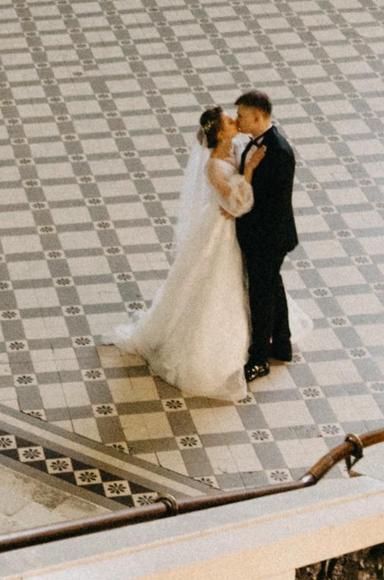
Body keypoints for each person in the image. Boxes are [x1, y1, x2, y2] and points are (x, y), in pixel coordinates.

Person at [109, 106, 257, 400]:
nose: (234, 122)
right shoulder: (214, 166)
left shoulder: (237, 148)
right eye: (229, 121)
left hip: (229, 225)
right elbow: (236, 203)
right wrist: (249, 171)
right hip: (218, 228)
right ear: (219, 133)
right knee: (213, 282)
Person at [233, 90, 299, 383]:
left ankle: (259, 357)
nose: (238, 120)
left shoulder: (278, 152)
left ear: (258, 116)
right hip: (265, 236)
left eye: (242, 116)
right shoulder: (258, 144)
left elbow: (272, 203)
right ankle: (282, 343)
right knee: (272, 286)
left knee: (261, 296)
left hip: (267, 238)